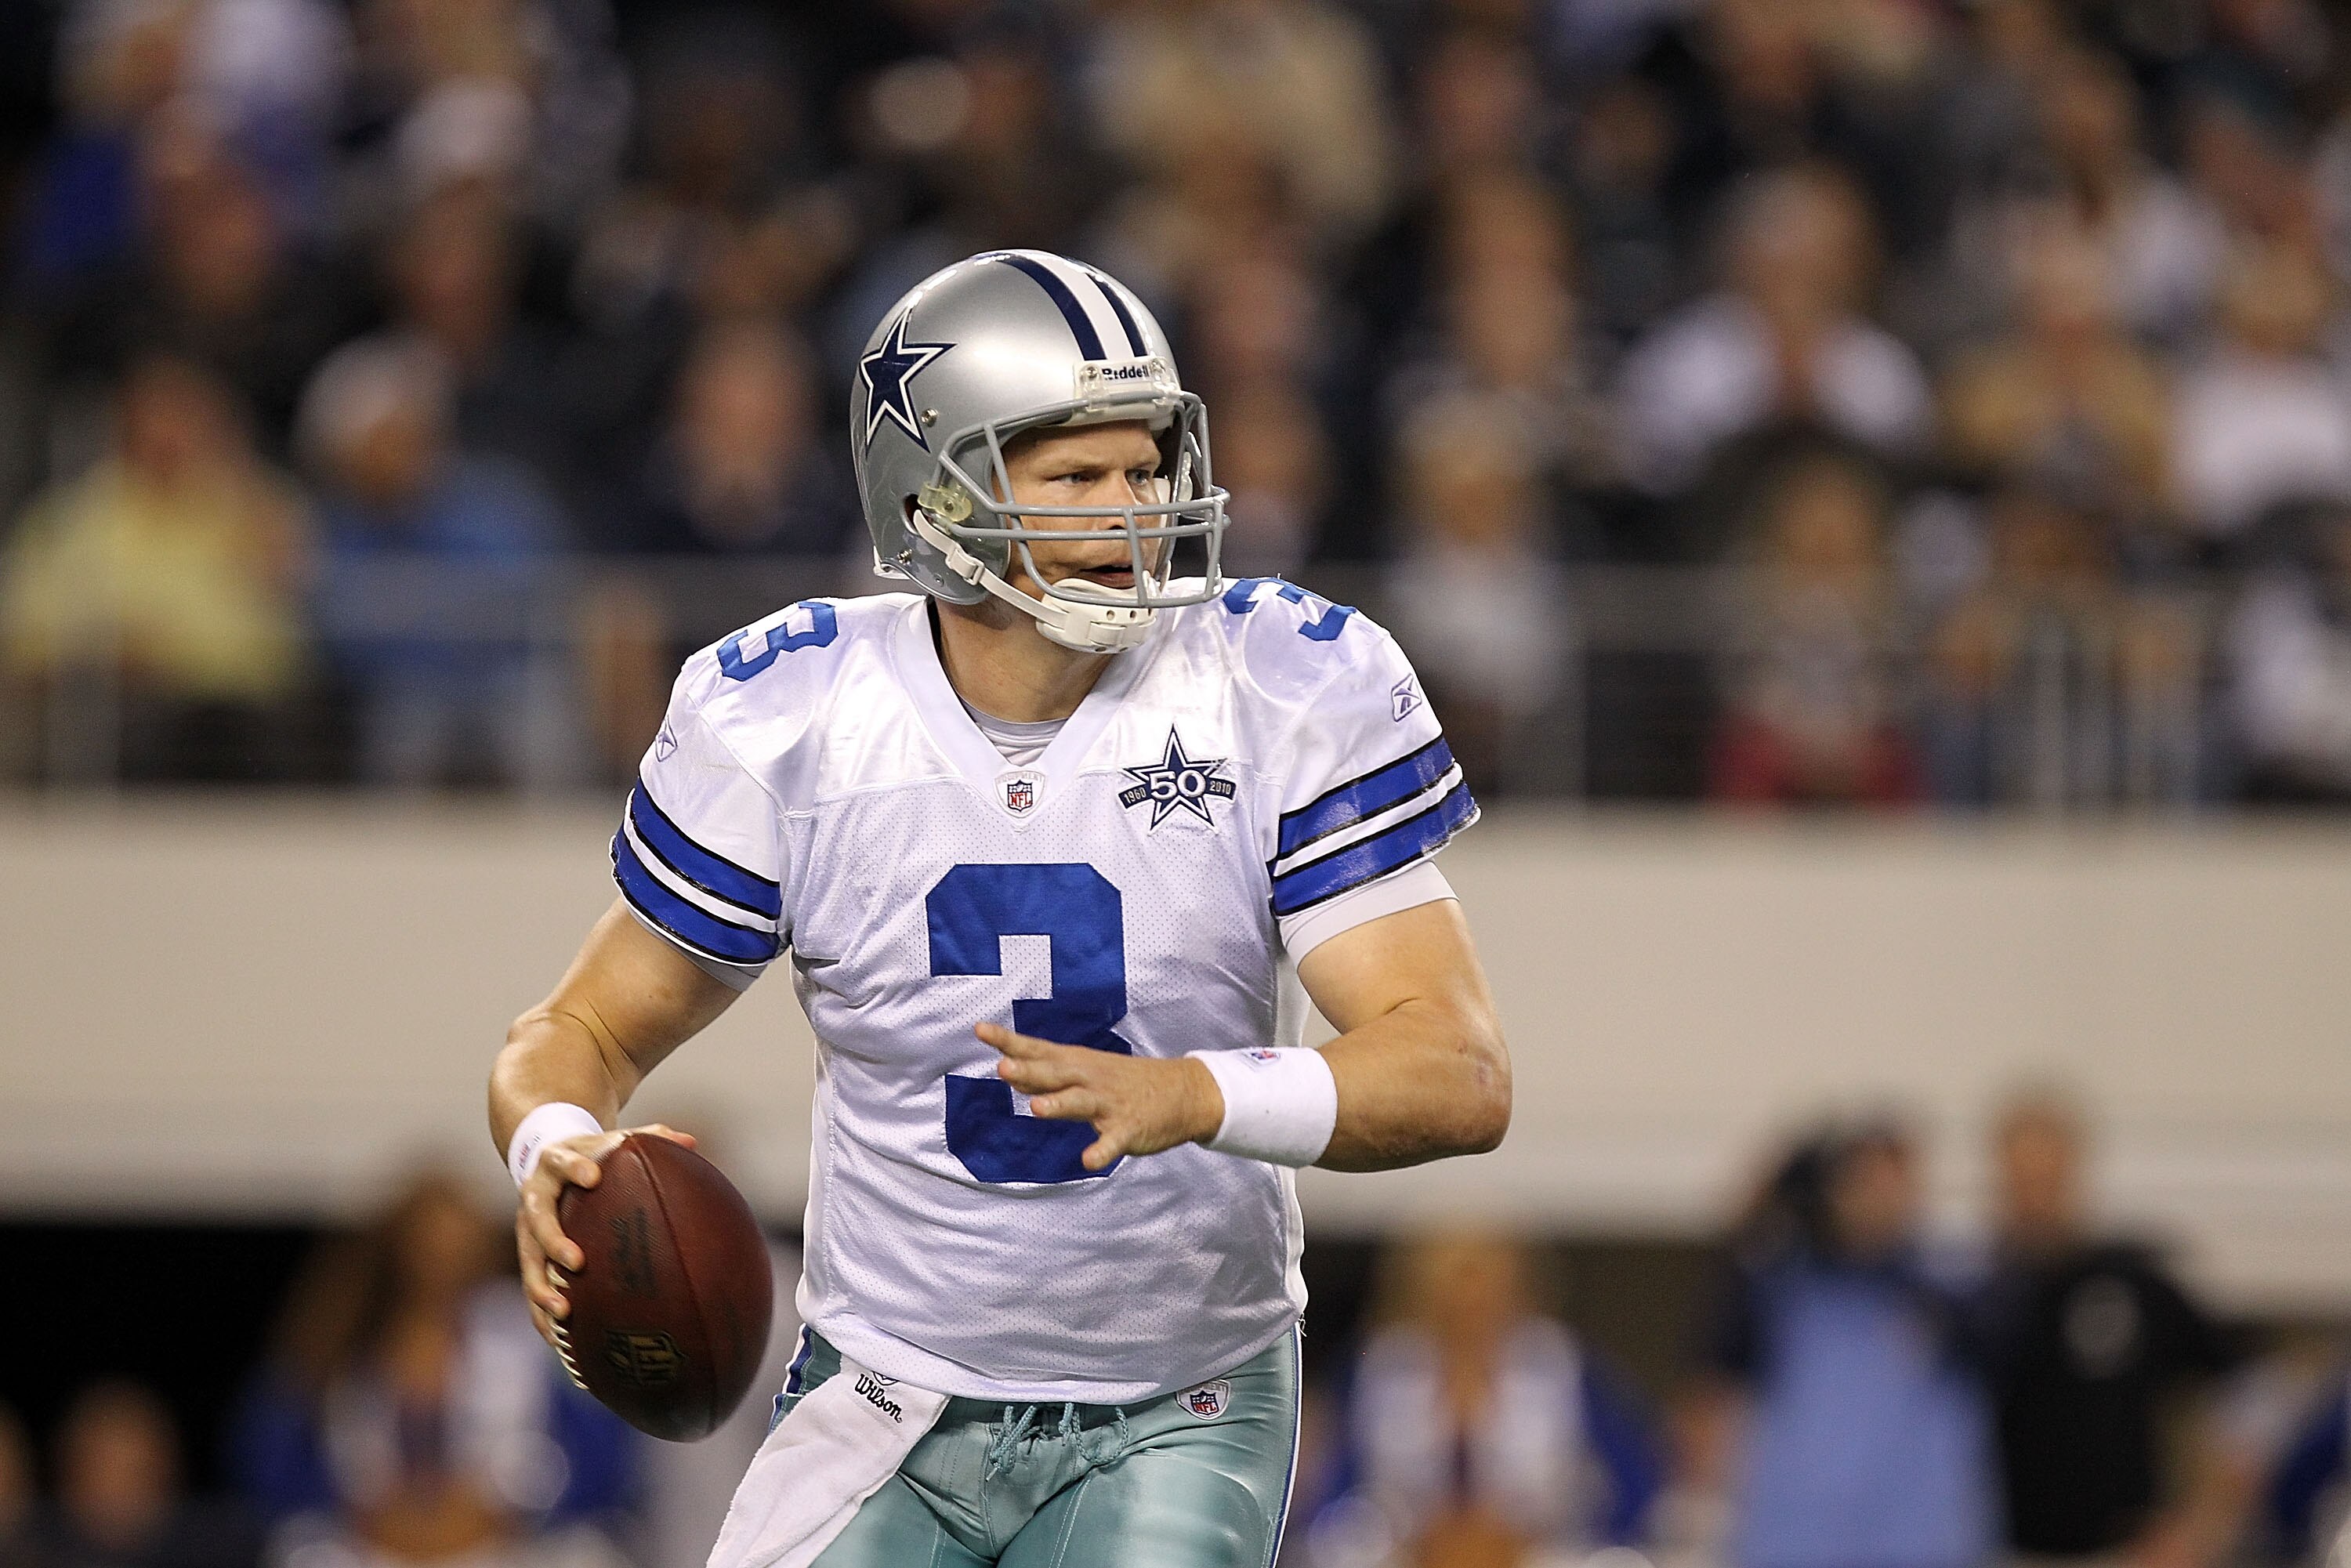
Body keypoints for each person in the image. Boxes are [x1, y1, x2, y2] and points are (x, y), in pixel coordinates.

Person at [488, 248, 1512, 1568]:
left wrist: (1197, 1094)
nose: (1133, 511)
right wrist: (553, 1147)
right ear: (932, 495)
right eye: (1076, 477)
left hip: (1177, 1400)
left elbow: (1457, 1067)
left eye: (1147, 468)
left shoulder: (1279, 680)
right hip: (887, 1386)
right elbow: (579, 1028)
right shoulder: (795, 712)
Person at [1685, 1118, 1997, 1568]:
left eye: (1893, 1185)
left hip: (1917, 1545)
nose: (1879, 1201)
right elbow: (1712, 1385)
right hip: (1794, 1544)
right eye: (1863, 1184)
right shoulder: (1776, 1289)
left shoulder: (1952, 1295)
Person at [1978, 1090, 2244, 1568]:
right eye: (2021, 1182)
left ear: (2073, 1173)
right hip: (2003, 1550)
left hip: (2123, 1554)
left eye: (2047, 1180)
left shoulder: (2134, 1285)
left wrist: (2196, 1529)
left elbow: (2222, 1407)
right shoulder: (1977, 1297)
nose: (2034, 1200)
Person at [1305, 1232, 1664, 1567]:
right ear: (1423, 1295)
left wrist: (1545, 1540)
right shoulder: (1380, 1370)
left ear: (1518, 1294)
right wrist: (1400, 1538)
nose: (1470, 1308)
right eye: (1454, 1295)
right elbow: (1331, 1496)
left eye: (1486, 1293)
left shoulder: (1562, 1368)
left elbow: (1634, 1487)